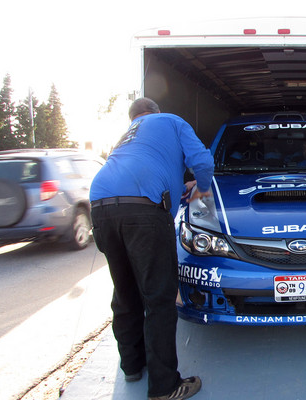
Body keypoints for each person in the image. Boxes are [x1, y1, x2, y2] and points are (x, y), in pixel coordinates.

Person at [90, 98, 214, 400]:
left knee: (125, 291)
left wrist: (178, 184)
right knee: (158, 298)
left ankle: (132, 365)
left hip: (100, 206)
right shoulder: (171, 120)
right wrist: (202, 186)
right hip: (143, 212)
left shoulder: (126, 136)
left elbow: (137, 170)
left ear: (133, 118)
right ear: (155, 112)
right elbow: (203, 161)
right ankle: (165, 387)